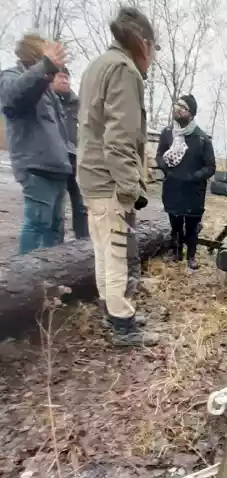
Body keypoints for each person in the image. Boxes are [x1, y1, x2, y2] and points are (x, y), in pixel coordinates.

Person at [77, 6, 160, 347]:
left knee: (102, 251)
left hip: (91, 176)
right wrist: (131, 188)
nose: (153, 57)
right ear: (143, 43)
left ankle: (113, 311)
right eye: (153, 49)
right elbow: (119, 138)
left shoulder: (97, 65)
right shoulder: (124, 71)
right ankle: (123, 327)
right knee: (116, 252)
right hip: (110, 181)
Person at [0, 34, 71, 255]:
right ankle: (25, 279)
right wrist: (46, 66)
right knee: (37, 223)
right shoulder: (12, 76)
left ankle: (50, 278)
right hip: (36, 166)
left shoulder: (46, 87)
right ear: (33, 53)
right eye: (43, 51)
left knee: (55, 227)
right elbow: (14, 97)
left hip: (56, 167)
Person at [156, 94, 216, 269]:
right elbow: (159, 155)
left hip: (193, 192)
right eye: (177, 104)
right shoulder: (167, 134)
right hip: (172, 188)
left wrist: (193, 177)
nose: (178, 108)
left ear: (192, 114)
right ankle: (176, 252)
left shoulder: (201, 139)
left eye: (183, 107)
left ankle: (191, 256)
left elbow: (210, 167)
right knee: (175, 224)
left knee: (191, 226)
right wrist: (165, 169)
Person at [51, 66, 89, 240]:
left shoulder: (77, 103)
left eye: (67, 77)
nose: (64, 80)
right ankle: (56, 243)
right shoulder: (47, 101)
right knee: (56, 203)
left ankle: (83, 240)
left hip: (75, 157)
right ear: (51, 79)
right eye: (60, 77)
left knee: (81, 203)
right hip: (54, 157)